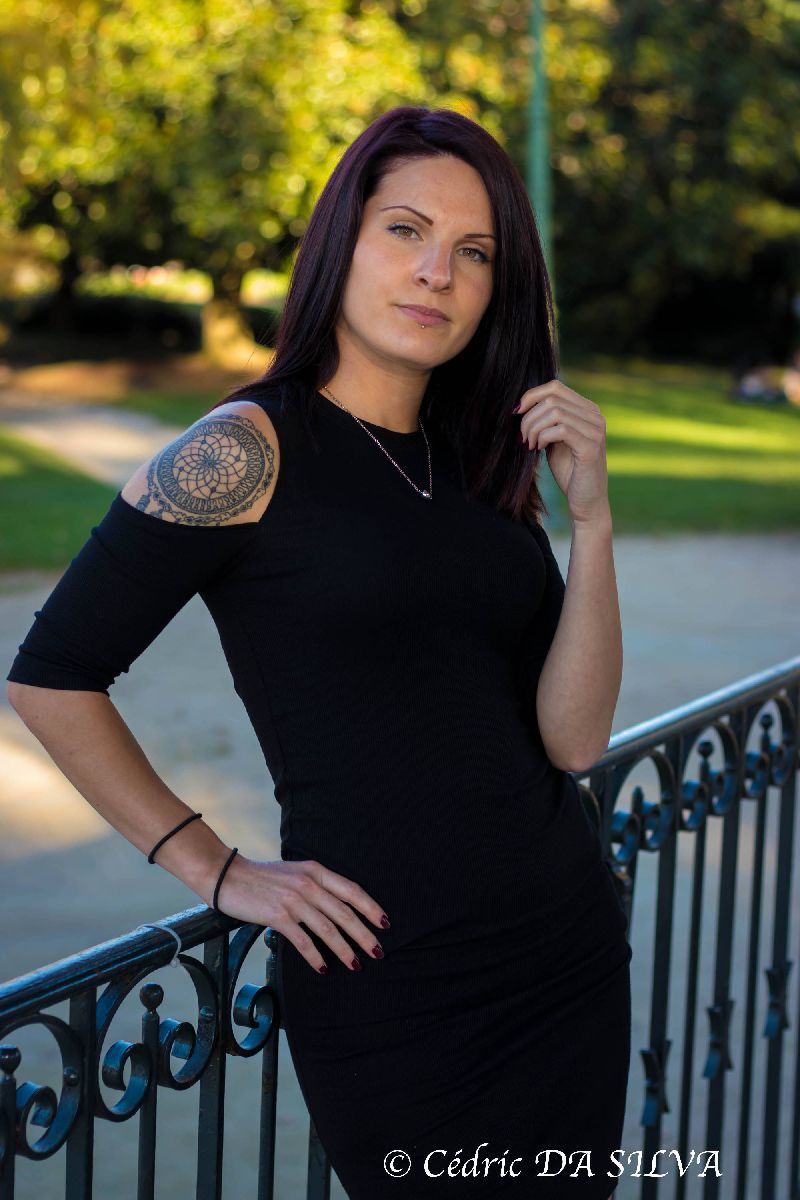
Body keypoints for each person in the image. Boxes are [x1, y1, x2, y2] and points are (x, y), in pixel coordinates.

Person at [6, 106, 632, 1198]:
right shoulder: (244, 450)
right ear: (341, 239)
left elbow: (573, 740)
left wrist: (593, 521)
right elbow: (51, 677)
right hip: (397, 988)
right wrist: (214, 868)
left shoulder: (475, 458)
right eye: (405, 230)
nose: (436, 272)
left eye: (474, 252)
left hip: (563, 955)